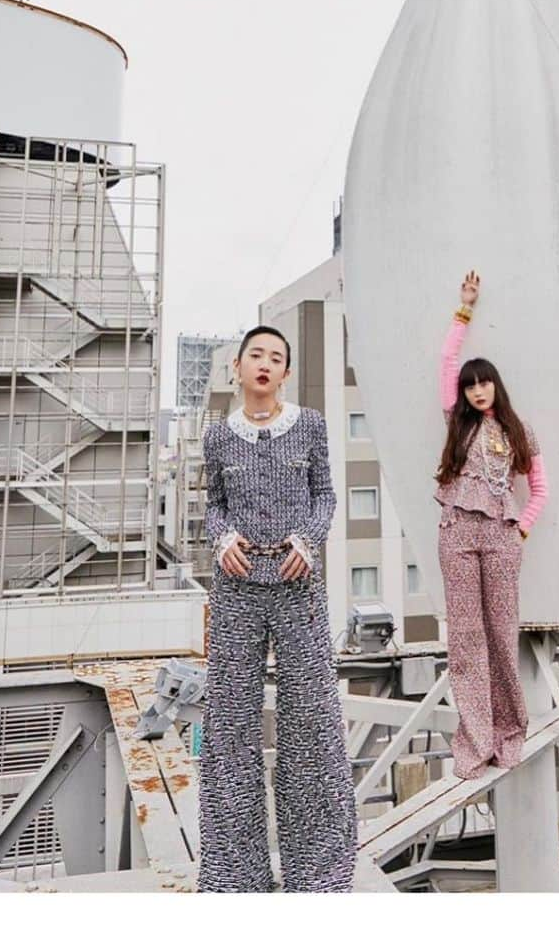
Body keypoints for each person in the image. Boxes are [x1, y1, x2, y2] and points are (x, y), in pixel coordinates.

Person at [198, 325, 357, 892]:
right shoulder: (217, 437)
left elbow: (326, 495)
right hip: (236, 586)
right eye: (256, 355)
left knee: (310, 724)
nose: (265, 364)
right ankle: (232, 878)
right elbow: (213, 504)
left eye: (277, 358)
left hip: (298, 584)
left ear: (286, 373)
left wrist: (308, 541)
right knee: (229, 725)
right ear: (238, 367)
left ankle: (320, 875)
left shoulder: (310, 425)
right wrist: (221, 540)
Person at [435, 270, 549, 779]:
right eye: (471, 384)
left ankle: (508, 732)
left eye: (485, 383)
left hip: (502, 539)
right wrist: (465, 309)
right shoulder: (456, 422)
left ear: (496, 386)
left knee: (502, 636)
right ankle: (475, 740)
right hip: (457, 533)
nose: (478, 390)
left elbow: (540, 490)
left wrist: (519, 530)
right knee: (465, 639)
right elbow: (445, 362)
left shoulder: (519, 430)